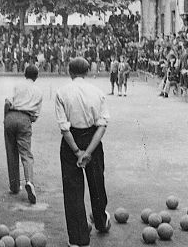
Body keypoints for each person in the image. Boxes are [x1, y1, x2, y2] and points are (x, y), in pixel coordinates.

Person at [55, 57, 111, 247]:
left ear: (69, 72)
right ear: (87, 72)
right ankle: (101, 222)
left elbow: (64, 128)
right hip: (93, 140)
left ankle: (78, 240)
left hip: (71, 142)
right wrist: (88, 152)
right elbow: (102, 125)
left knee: (73, 191)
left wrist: (78, 151)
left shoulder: (61, 92)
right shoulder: (97, 92)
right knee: (97, 184)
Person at [3, 65, 43, 204]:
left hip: (11, 116)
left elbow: (7, 102)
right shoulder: (38, 91)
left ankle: (14, 186)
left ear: (24, 74)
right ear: (36, 77)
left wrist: (5, 118)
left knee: (11, 152)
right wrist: (27, 119)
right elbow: (36, 115)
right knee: (26, 154)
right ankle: (29, 181)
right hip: (25, 118)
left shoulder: (17, 85)